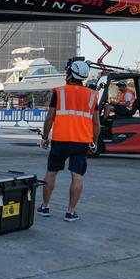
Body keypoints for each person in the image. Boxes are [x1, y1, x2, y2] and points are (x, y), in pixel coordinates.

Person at [37, 60, 100, 222]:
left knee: (51, 172)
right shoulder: (92, 95)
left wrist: (45, 137)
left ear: (70, 74)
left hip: (60, 140)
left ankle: (45, 207)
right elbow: (96, 123)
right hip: (81, 141)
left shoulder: (59, 92)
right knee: (77, 175)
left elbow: (50, 117)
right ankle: (70, 212)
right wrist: (94, 141)